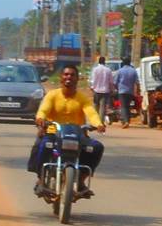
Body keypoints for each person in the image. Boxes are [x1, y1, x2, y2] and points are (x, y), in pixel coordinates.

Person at [30, 64, 106, 198]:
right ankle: (41, 178)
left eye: (72, 75)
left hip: (77, 131)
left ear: (77, 79)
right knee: (42, 144)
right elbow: (43, 110)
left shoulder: (82, 98)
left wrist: (98, 124)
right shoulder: (52, 95)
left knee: (96, 147)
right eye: (66, 74)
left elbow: (91, 113)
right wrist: (41, 118)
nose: (68, 77)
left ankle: (81, 180)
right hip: (53, 128)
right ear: (61, 78)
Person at [114, 57, 139, 127]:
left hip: (122, 91)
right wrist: (137, 91)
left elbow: (115, 82)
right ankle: (127, 120)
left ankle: (126, 121)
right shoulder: (133, 71)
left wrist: (117, 88)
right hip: (130, 92)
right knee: (127, 106)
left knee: (123, 106)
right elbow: (137, 82)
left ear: (123, 63)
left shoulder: (120, 71)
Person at [89, 54, 114, 122]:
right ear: (104, 62)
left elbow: (93, 80)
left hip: (96, 90)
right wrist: (111, 89)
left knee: (96, 106)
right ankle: (101, 122)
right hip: (105, 91)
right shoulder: (108, 70)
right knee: (103, 107)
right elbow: (111, 81)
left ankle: (95, 121)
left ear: (98, 62)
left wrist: (92, 87)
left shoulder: (95, 69)